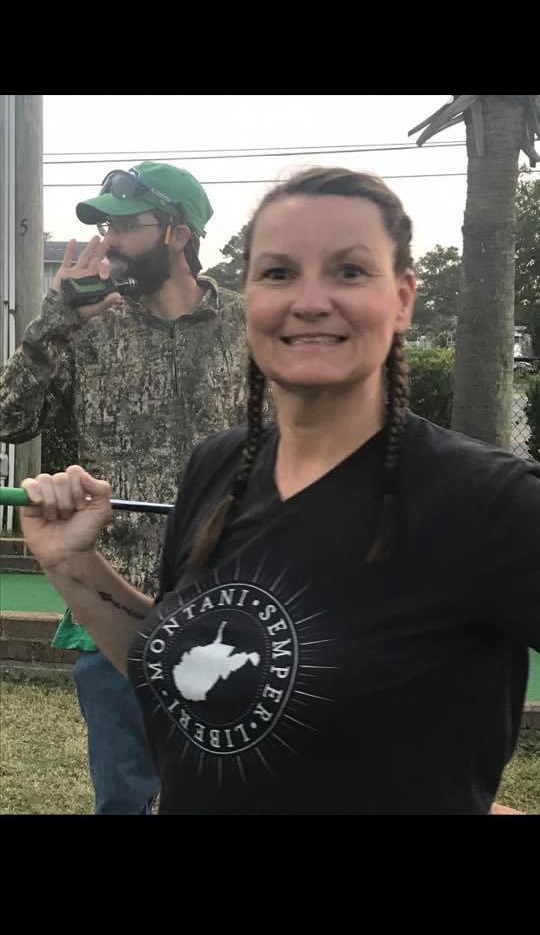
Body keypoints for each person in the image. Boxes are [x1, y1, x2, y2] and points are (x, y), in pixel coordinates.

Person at [18, 167, 540, 814]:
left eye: (349, 271)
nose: (309, 300)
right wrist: (72, 563)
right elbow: (182, 670)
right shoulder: (218, 468)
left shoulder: (484, 502)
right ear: (253, 299)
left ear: (403, 297)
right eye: (278, 273)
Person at [0, 162, 249, 814]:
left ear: (177, 233)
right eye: (104, 226)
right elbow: (8, 418)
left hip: (230, 604)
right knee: (123, 800)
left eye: (125, 225)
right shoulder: (89, 326)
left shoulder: (251, 325)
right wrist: (57, 317)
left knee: (229, 794)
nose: (108, 241)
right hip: (109, 601)